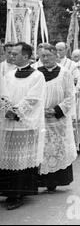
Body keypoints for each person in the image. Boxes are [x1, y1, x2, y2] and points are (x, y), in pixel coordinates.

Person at [0, 42, 46, 210]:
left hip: (24, 124)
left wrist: (16, 112)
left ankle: (17, 194)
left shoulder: (37, 76)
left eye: (15, 54)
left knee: (21, 159)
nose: (11, 56)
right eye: (10, 53)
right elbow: (2, 94)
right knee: (6, 157)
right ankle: (7, 191)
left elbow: (33, 99)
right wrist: (6, 109)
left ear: (26, 56)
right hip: (7, 122)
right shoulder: (9, 75)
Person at [37, 44, 77, 192]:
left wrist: (55, 110)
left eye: (48, 55)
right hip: (40, 118)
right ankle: (40, 181)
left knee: (57, 148)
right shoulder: (36, 72)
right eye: (42, 56)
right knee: (42, 149)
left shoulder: (64, 73)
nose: (45, 59)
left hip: (58, 119)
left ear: (56, 55)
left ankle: (55, 181)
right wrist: (39, 110)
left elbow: (70, 95)